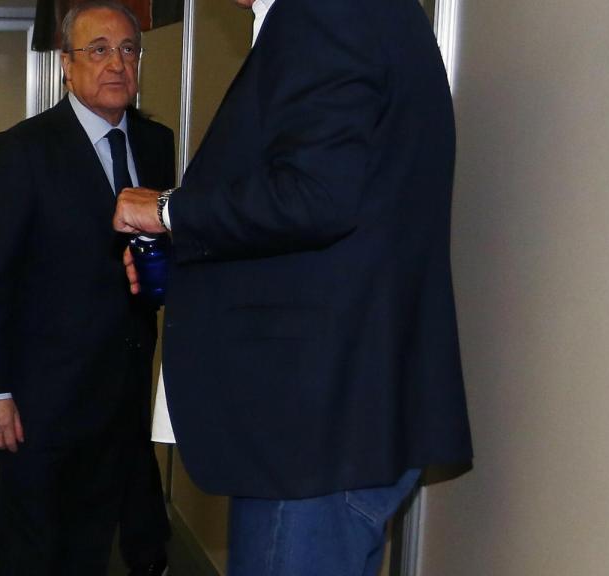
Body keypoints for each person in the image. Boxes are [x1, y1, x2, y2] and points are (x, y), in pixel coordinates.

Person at [113, 0, 474, 574]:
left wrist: (168, 210)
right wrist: (183, 258)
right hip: (330, 416)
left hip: (313, 424)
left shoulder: (327, 11)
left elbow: (316, 198)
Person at [0, 2, 172, 574]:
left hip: (126, 395)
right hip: (41, 401)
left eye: (128, 49)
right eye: (98, 50)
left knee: (103, 544)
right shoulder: (20, 151)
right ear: (66, 65)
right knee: (36, 549)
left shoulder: (156, 143)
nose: (116, 64)